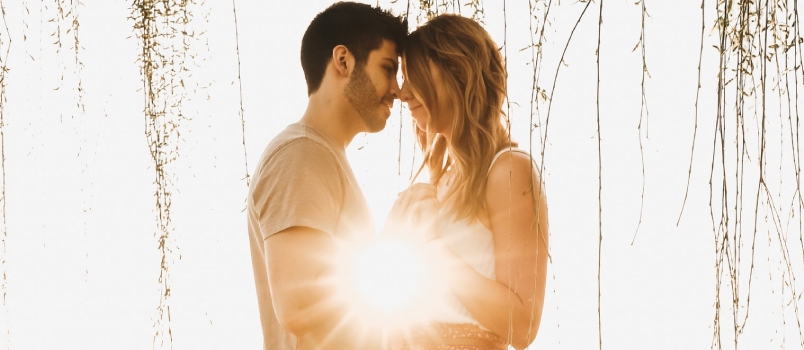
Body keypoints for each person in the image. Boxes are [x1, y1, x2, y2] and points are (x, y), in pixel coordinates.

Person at [246, 2, 407, 349]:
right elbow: (300, 305)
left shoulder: (320, 156)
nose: (397, 89)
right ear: (343, 61)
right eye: (388, 68)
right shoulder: (301, 154)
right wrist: (397, 240)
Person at [391, 14, 550, 350]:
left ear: (457, 71)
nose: (403, 92)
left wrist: (432, 250)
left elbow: (521, 326)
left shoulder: (508, 170)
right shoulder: (438, 182)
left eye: (415, 73)